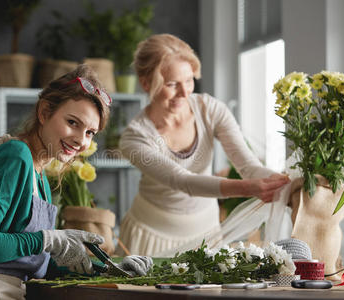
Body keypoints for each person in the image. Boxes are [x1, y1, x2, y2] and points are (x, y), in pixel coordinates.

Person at [0, 65, 152, 300]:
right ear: (44, 112)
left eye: (90, 132)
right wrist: (48, 239)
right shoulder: (14, 155)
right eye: (72, 122)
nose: (81, 141)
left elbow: (34, 264)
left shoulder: (40, 179)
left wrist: (107, 270)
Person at [116, 34, 290, 256]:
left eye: (189, 81)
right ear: (146, 83)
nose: (184, 92)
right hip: (151, 237)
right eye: (171, 84)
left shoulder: (210, 110)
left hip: (207, 235)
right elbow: (182, 181)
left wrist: (283, 183)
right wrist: (248, 188)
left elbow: (248, 166)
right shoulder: (135, 138)